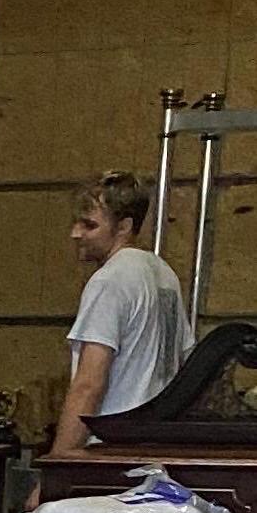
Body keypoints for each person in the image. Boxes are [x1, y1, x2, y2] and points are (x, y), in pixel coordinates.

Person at [48, 169, 193, 455]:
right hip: (155, 446)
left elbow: (89, 384)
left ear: (124, 227)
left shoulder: (109, 280)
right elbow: (183, 361)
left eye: (89, 225)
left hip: (110, 447)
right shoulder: (164, 275)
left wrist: (58, 462)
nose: (75, 233)